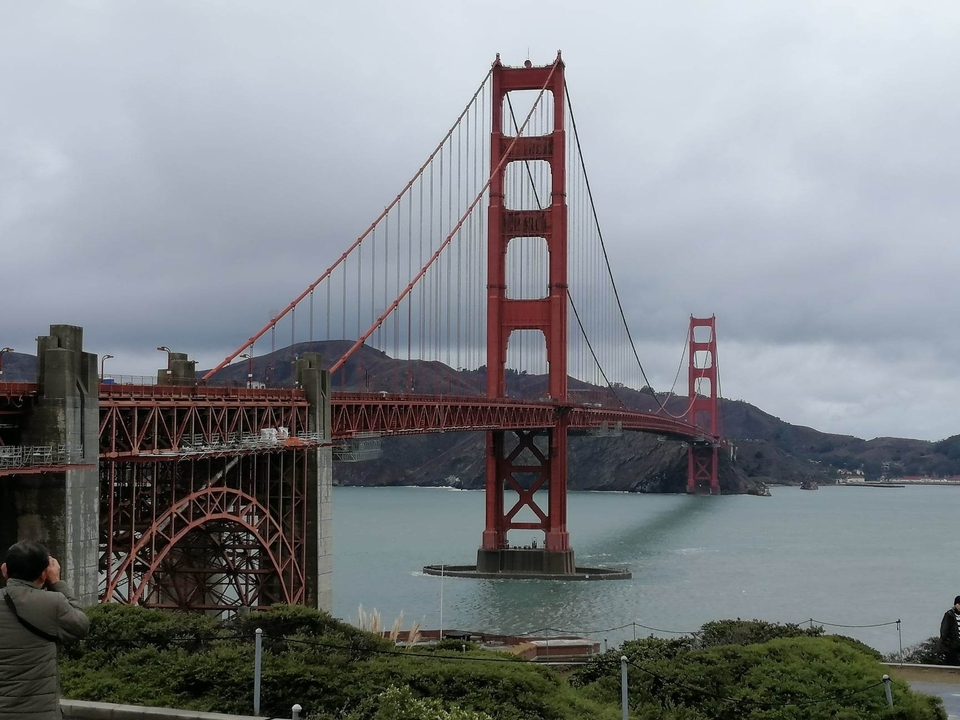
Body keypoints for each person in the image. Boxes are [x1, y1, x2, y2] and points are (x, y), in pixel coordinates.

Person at [0, 541, 90, 719]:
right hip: (39, 713)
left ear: (5, 570)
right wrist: (57, 582)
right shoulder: (53, 603)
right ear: (44, 574)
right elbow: (81, 626)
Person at [940, 595, 960, 665]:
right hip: (952, 646)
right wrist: (948, 643)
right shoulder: (949, 615)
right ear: (955, 604)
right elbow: (944, 630)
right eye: (959, 604)